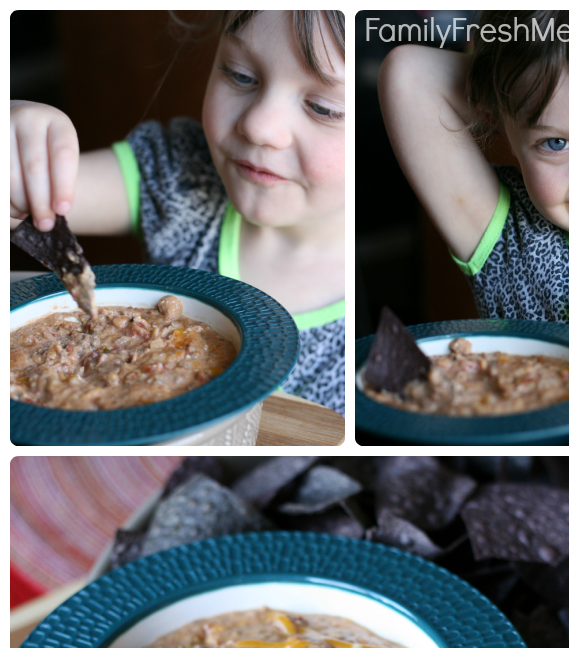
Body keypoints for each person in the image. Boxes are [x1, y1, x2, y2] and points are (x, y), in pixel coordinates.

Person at [10, 10, 355, 416]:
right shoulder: (178, 176)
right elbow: (23, 198)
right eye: (241, 75)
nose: (259, 126)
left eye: (322, 107)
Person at [378, 10, 569, 445]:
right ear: (500, 121)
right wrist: (522, 78)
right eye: (557, 142)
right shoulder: (509, 239)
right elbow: (410, 74)